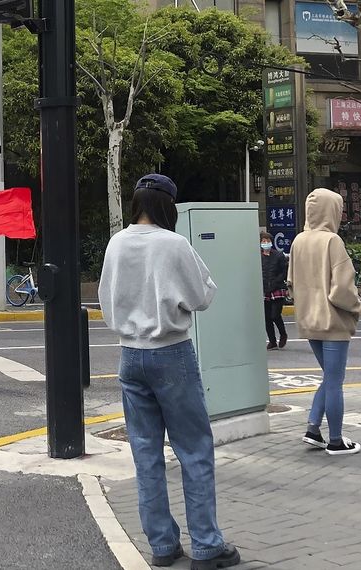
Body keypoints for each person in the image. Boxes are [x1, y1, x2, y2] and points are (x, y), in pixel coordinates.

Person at [98, 174, 240, 570]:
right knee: (194, 449)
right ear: (168, 206)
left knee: (146, 452)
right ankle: (207, 546)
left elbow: (105, 300)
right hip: (171, 352)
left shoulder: (117, 243)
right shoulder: (174, 244)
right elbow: (202, 296)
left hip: (129, 355)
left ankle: (162, 546)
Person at [288, 188, 361, 456]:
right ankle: (335, 439)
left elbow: (291, 282)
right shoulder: (332, 241)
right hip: (332, 322)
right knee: (335, 381)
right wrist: (357, 306)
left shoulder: (298, 240)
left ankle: (312, 429)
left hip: (308, 321)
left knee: (329, 378)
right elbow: (342, 289)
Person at [260, 231, 289, 350]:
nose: (265, 243)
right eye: (263, 241)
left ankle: (283, 334)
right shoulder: (258, 256)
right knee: (267, 318)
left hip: (277, 289)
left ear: (271, 242)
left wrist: (275, 283)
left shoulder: (278, 255)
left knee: (275, 315)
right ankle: (272, 341)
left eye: (267, 241)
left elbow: (284, 272)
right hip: (264, 291)